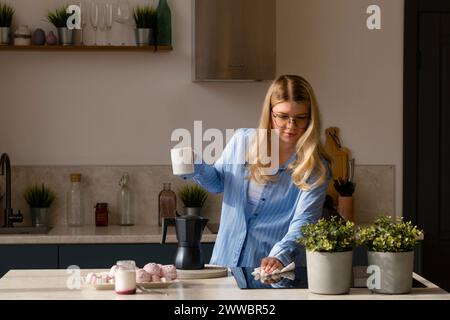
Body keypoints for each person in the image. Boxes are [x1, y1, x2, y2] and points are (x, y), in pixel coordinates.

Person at [181, 75, 332, 274]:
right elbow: (217, 183)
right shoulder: (242, 141)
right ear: (270, 114)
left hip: (271, 274)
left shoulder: (316, 168)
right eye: (283, 116)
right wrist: (197, 165)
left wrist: (279, 255)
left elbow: (304, 222)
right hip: (225, 266)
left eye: (301, 117)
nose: (291, 125)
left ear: (311, 117)